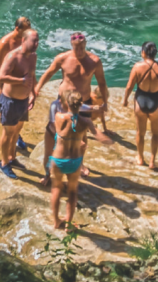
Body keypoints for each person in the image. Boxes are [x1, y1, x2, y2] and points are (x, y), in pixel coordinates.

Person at [35, 32, 109, 188]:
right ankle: (49, 172)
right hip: (63, 102)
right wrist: (37, 89)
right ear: (71, 45)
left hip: (83, 101)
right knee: (56, 133)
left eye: (82, 47)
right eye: (76, 48)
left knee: (81, 136)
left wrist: (105, 102)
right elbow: (48, 73)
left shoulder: (94, 61)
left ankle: (80, 164)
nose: (79, 51)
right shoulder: (63, 58)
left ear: (86, 44)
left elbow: (102, 82)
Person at [122, 41, 158, 169]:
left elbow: (129, 86)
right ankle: (152, 162)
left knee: (140, 132)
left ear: (143, 52)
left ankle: (140, 158)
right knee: (155, 133)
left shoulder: (137, 67)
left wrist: (125, 100)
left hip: (141, 100)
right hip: (155, 101)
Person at [0, 30, 39, 179]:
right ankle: (4, 163)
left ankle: (12, 158)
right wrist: (21, 81)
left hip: (23, 101)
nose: (36, 44)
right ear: (24, 41)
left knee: (17, 131)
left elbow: (32, 74)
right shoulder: (13, 56)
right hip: (10, 101)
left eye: (37, 41)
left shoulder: (33, 56)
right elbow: (2, 76)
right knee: (8, 133)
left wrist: (33, 93)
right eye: (33, 41)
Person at [48, 89, 93, 230]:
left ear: (67, 103)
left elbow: (58, 130)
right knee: (72, 192)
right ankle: (68, 224)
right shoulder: (85, 122)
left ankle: (56, 221)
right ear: (81, 105)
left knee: (56, 188)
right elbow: (84, 141)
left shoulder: (59, 117)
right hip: (75, 161)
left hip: (59, 159)